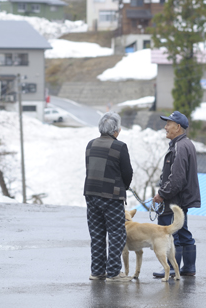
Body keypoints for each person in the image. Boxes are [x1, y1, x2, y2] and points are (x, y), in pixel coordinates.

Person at [84, 111, 133, 282]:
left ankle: (97, 272)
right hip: (112, 196)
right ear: (116, 130)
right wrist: (124, 186)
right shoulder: (120, 146)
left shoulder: (90, 144)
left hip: (91, 194)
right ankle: (113, 273)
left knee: (97, 234)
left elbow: (88, 168)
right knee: (117, 233)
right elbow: (127, 173)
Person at [152, 111, 201, 278]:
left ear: (178, 127)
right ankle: (188, 268)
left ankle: (172, 269)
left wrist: (162, 194)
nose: (165, 127)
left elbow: (177, 178)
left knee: (171, 234)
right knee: (183, 232)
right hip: (182, 199)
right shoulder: (186, 144)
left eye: (168, 124)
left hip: (174, 200)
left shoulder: (179, 146)